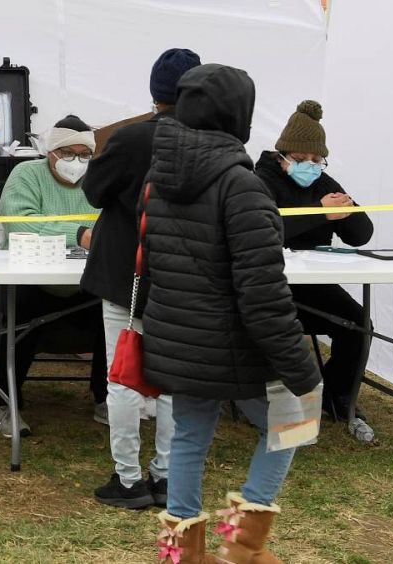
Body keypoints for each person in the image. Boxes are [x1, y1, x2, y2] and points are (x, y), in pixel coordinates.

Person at [141, 64, 321, 564]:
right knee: (294, 421)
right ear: (239, 115)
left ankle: (179, 555)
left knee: (190, 435)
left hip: (180, 338)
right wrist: (301, 368)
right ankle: (243, 545)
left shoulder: (158, 179)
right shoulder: (242, 185)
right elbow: (262, 292)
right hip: (235, 342)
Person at [80, 47, 200, 510]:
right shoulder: (210, 142)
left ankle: (128, 479)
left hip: (125, 273)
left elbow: (93, 190)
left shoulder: (131, 140)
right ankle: (166, 476)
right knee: (171, 381)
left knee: (124, 376)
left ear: (154, 92)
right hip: (183, 274)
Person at [255, 100, 377, 444]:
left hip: (311, 283)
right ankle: (262, 397)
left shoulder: (323, 182)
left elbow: (361, 235)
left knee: (358, 324)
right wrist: (318, 213)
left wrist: (348, 210)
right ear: (282, 155)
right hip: (267, 282)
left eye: (316, 160)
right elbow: (264, 228)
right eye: (301, 159)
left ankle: (339, 397)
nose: (310, 166)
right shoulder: (259, 179)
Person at [0, 116, 106, 440]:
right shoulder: (25, 175)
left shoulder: (99, 180)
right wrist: (78, 233)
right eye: (68, 153)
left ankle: (106, 397)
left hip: (83, 283)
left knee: (115, 308)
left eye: (84, 154)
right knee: (16, 319)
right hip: (31, 281)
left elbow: (112, 226)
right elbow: (19, 224)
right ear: (51, 152)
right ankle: (4, 403)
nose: (76, 162)